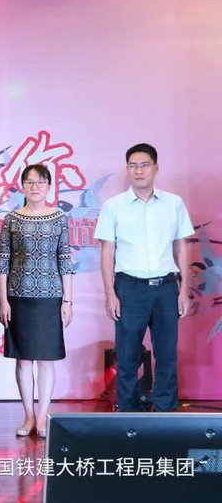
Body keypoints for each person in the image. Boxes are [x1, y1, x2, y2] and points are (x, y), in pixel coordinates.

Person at [94, 143, 193, 412]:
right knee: (127, 356)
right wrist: (110, 293)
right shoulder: (114, 206)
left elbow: (181, 247)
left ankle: (165, 411)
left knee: (166, 355)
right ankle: (128, 414)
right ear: (127, 170)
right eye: (133, 166)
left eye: (144, 165)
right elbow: (107, 251)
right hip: (129, 288)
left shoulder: (174, 203)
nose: (139, 171)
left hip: (166, 287)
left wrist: (184, 290)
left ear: (156, 168)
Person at [0, 164, 74, 438]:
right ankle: (28, 415)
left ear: (49, 186)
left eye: (40, 182)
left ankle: (42, 417)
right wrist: (2, 301)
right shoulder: (12, 219)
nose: (35, 186)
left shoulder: (59, 218)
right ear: (22, 186)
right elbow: (3, 262)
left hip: (51, 298)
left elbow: (65, 259)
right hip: (18, 297)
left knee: (47, 360)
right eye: (29, 182)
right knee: (24, 360)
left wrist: (68, 301)